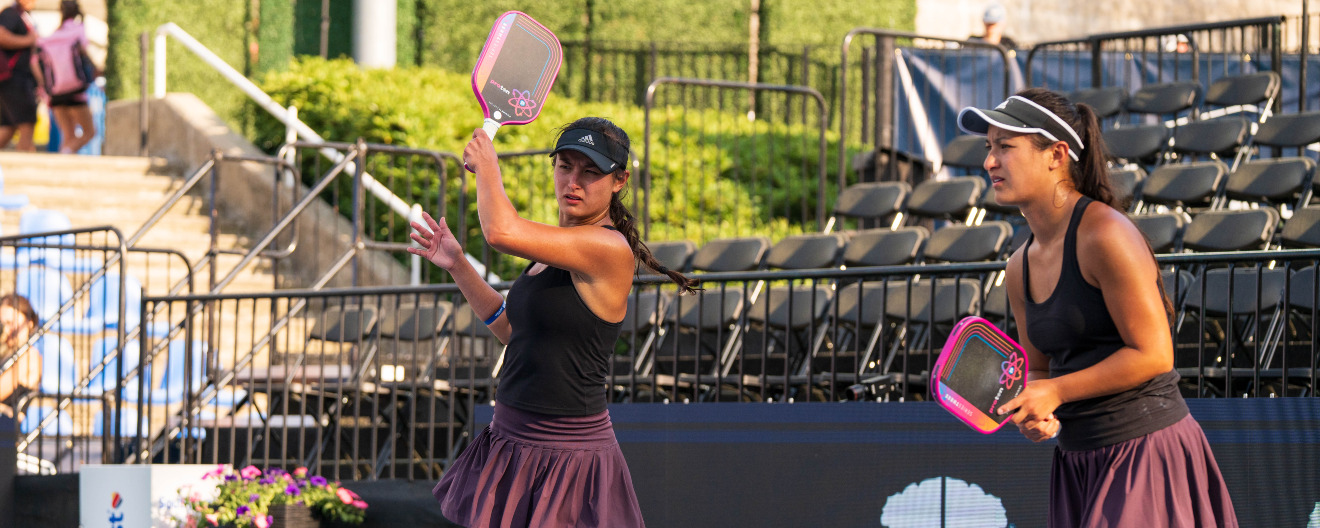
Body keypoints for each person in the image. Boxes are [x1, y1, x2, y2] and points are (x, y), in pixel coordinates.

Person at [957, 88, 1237, 527]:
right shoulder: (1017, 267)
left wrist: (1056, 392)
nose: (990, 161)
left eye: (1005, 146)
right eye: (988, 147)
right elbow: (1040, 369)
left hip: (1145, 452)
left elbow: (1155, 355)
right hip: (1076, 462)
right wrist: (1039, 412)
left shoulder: (1106, 234)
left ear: (1056, 154)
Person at [412, 117, 696, 528]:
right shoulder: (552, 250)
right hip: (509, 440)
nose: (573, 182)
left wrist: (488, 165)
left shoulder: (609, 247)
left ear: (619, 180)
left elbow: (500, 232)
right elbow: (511, 331)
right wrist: (458, 264)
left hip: (567, 458)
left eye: (590, 172)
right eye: (565, 166)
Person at [39, 0, 95, 154]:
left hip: (56, 92)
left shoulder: (54, 34)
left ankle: (62, 160)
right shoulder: (78, 29)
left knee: (68, 135)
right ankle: (66, 154)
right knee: (89, 132)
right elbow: (85, 51)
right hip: (75, 90)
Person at [0, 0, 37, 152]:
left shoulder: (22, 15)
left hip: (12, 78)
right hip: (14, 77)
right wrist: (29, 40)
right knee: (27, 122)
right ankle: (25, 158)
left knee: (8, 126)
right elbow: (1, 36)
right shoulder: (11, 13)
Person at [0, 293, 39, 418]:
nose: (6, 330)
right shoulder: (6, 353)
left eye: (10, 323)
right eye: (2, 324)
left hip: (8, 423)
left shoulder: (29, 356)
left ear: (29, 323)